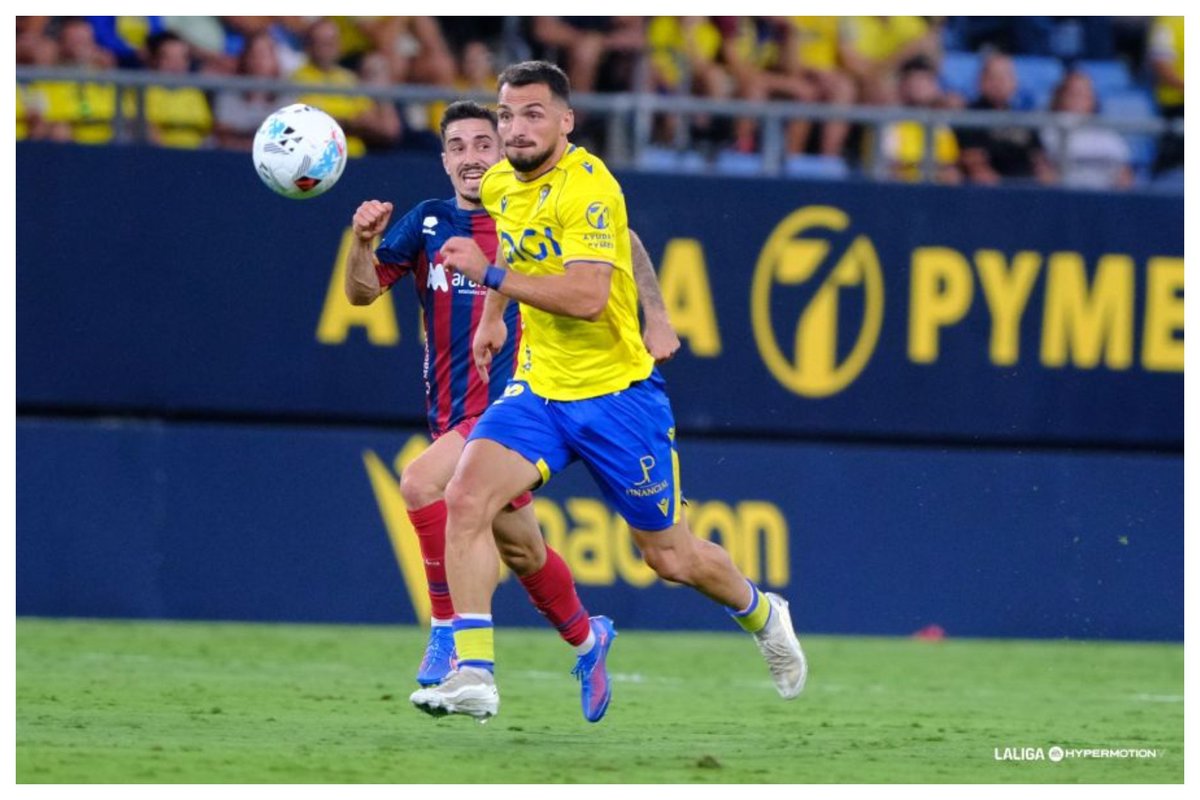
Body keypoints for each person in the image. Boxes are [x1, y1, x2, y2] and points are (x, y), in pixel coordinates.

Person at [411, 61, 807, 723]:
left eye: (533, 113)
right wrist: (489, 320)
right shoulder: (505, 182)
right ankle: (474, 673)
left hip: (617, 399)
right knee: (466, 496)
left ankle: (765, 615)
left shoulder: (590, 187)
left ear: (567, 121)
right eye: (506, 115)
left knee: (671, 558)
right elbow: (552, 245)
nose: (515, 128)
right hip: (538, 387)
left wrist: (495, 278)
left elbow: (591, 297)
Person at [345, 100, 680, 719]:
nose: (472, 156)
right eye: (458, 147)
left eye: (483, 143)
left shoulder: (529, 205)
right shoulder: (425, 223)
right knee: (523, 553)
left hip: (520, 403)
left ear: (502, 148)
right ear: (444, 160)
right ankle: (588, 637)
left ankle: (448, 636)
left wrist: (655, 316)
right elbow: (363, 293)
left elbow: (625, 242)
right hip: (452, 412)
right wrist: (360, 244)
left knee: (422, 482)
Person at [957, 52, 1055, 185]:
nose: (1000, 83)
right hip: (993, 193)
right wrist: (1005, 192)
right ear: (981, 81)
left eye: (1006, 76)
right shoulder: (969, 117)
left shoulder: (1024, 118)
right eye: (994, 77)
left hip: (1029, 190)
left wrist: (1046, 180)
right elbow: (975, 164)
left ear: (1015, 82)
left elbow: (1039, 159)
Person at [1041, 71, 1132, 191]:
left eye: (1084, 94)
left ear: (1093, 99)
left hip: (1105, 200)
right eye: (1072, 94)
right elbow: (1044, 174)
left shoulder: (1108, 135)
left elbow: (1125, 175)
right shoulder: (1045, 132)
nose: (1078, 99)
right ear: (1059, 96)